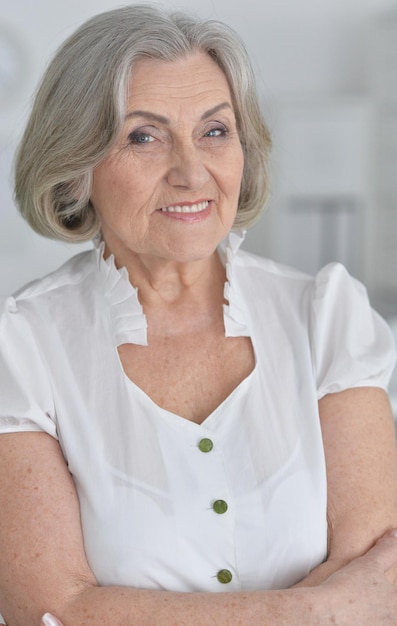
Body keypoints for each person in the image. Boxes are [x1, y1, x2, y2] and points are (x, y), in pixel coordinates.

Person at [1, 4, 397, 625]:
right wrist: (324, 610)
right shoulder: (21, 348)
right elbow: (50, 611)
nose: (192, 173)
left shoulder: (325, 320)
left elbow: (382, 586)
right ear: (78, 165)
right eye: (143, 136)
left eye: (214, 131)